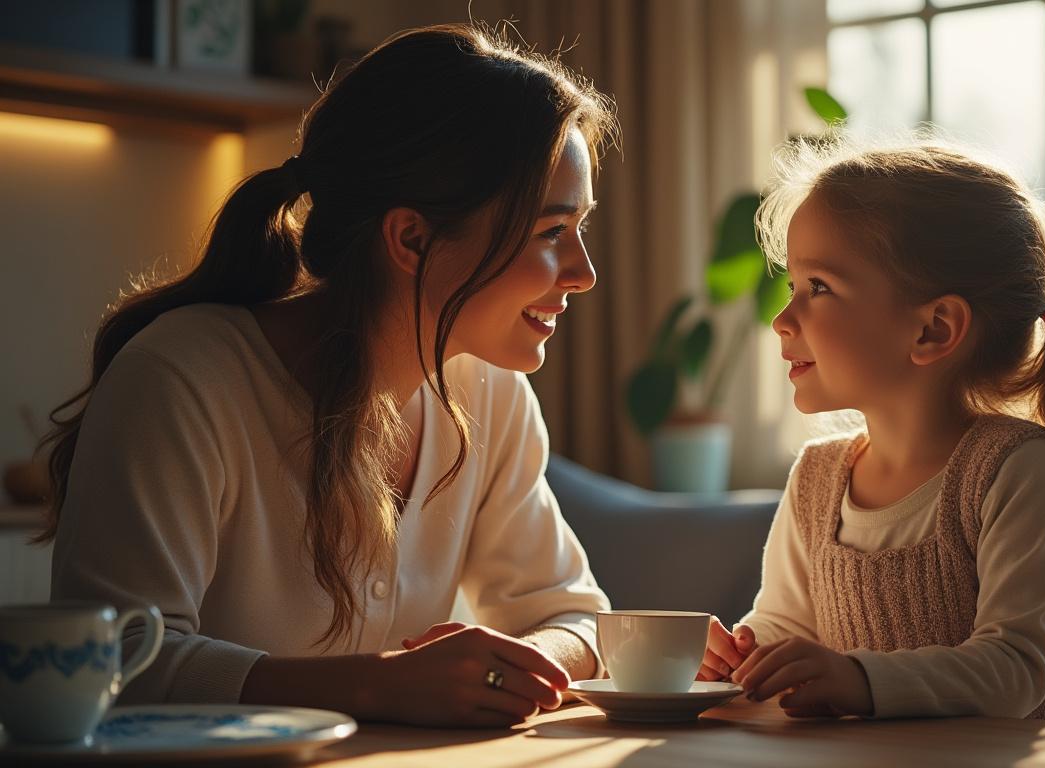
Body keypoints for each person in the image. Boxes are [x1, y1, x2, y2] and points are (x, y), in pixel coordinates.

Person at [40, 23, 618, 728]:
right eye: (552, 233)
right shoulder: (183, 380)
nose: (585, 274)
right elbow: (118, 657)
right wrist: (377, 686)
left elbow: (575, 615)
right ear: (411, 238)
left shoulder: (490, 395)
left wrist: (509, 666)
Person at [697, 137, 1045, 721]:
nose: (782, 320)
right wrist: (740, 656)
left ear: (933, 329)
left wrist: (860, 679)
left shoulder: (1017, 467)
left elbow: (1016, 669)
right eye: (794, 287)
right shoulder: (816, 476)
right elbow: (787, 623)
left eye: (819, 288)